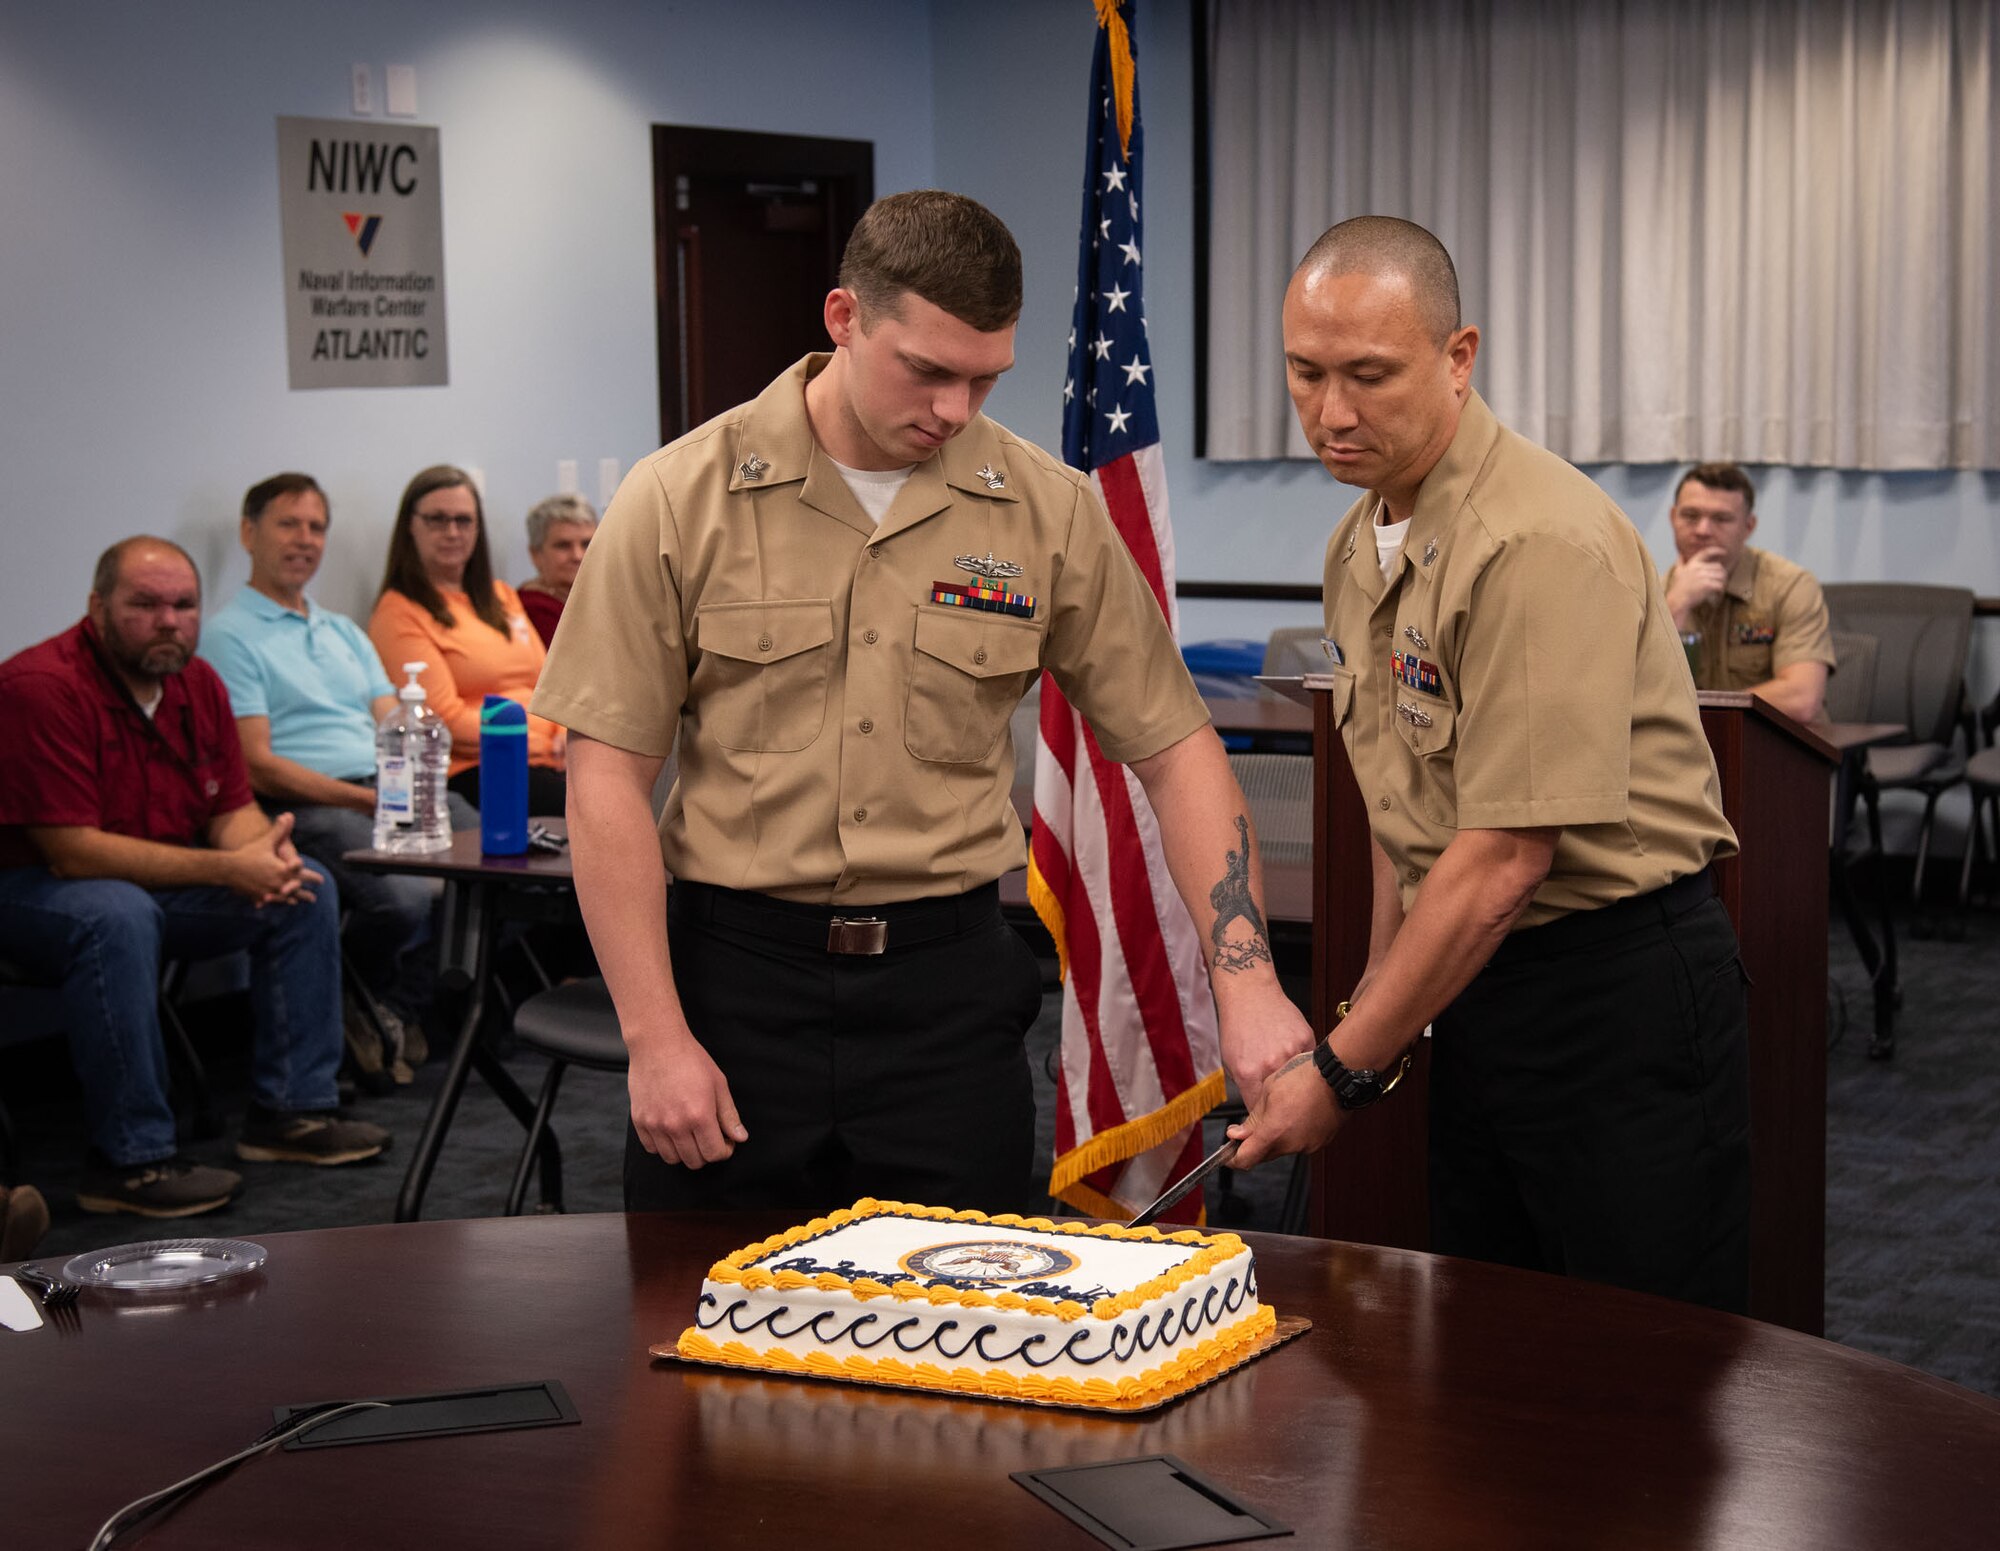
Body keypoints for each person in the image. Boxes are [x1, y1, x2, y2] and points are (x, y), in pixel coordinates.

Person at [533, 190, 1311, 1217]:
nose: (954, 409)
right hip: (735, 989)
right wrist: (654, 1036)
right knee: (704, 1332)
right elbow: (605, 784)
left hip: (945, 999)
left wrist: (1245, 985)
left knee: (957, 1341)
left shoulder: (1045, 510)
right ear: (843, 318)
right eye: (928, 371)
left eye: (985, 378)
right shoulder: (681, 496)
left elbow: (1175, 752)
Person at [1230, 217, 1751, 1313]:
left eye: (1369, 375)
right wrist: (1376, 1000)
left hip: (1609, 989)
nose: (1330, 412)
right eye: (1304, 371)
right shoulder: (1363, 536)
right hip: (1471, 975)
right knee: (1494, 1336)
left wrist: (1341, 1069)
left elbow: (1508, 851)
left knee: (1633, 1352)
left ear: (1457, 357)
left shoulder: (1529, 540)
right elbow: (1400, 805)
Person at [0, 538, 390, 1218]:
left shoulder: (198, 683)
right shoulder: (41, 687)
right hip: (37, 892)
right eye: (144, 604)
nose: (169, 621)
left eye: (184, 605)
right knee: (115, 914)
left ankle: (291, 1115)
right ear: (97, 607)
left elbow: (231, 811)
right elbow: (72, 851)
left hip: (153, 884)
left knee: (305, 889)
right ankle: (131, 1159)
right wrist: (227, 866)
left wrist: (262, 858)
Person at [201, 472, 471, 1079]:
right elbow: (257, 766)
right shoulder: (228, 636)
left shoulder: (343, 630)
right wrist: (367, 797)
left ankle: (385, 1007)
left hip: (381, 788)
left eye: (316, 527)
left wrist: (407, 786)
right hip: (307, 803)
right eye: (288, 524)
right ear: (249, 533)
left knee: (495, 859)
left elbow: (394, 720)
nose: (305, 540)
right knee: (402, 900)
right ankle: (363, 1006)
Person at [367, 466, 567, 814]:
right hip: (477, 768)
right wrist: (532, 740)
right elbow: (443, 717)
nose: (452, 532)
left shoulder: (502, 595)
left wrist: (566, 734)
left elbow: (549, 685)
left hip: (550, 756)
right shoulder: (398, 612)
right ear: (410, 527)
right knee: (595, 812)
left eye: (463, 520)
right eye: (437, 520)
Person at [1662, 462, 1834, 723]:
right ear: (1673, 517)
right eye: (1691, 515)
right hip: (1689, 754)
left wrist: (1708, 715)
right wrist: (1676, 604)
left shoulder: (1790, 585)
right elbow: (1632, 691)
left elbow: (1802, 698)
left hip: (1777, 745)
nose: (1703, 530)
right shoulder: (1652, 590)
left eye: (1721, 519)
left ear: (1749, 526)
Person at [517, 494, 598, 647]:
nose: (578, 556)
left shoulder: (604, 597)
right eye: (563, 545)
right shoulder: (532, 608)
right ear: (536, 554)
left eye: (587, 544)